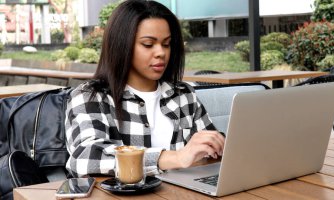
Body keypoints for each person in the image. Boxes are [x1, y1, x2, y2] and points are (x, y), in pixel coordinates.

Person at [65, 0, 225, 178]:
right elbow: (85, 158)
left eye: (166, 44)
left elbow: (213, 149)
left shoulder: (184, 95)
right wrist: (176, 158)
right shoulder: (90, 96)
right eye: (148, 44)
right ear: (122, 45)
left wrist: (217, 144)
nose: (161, 53)